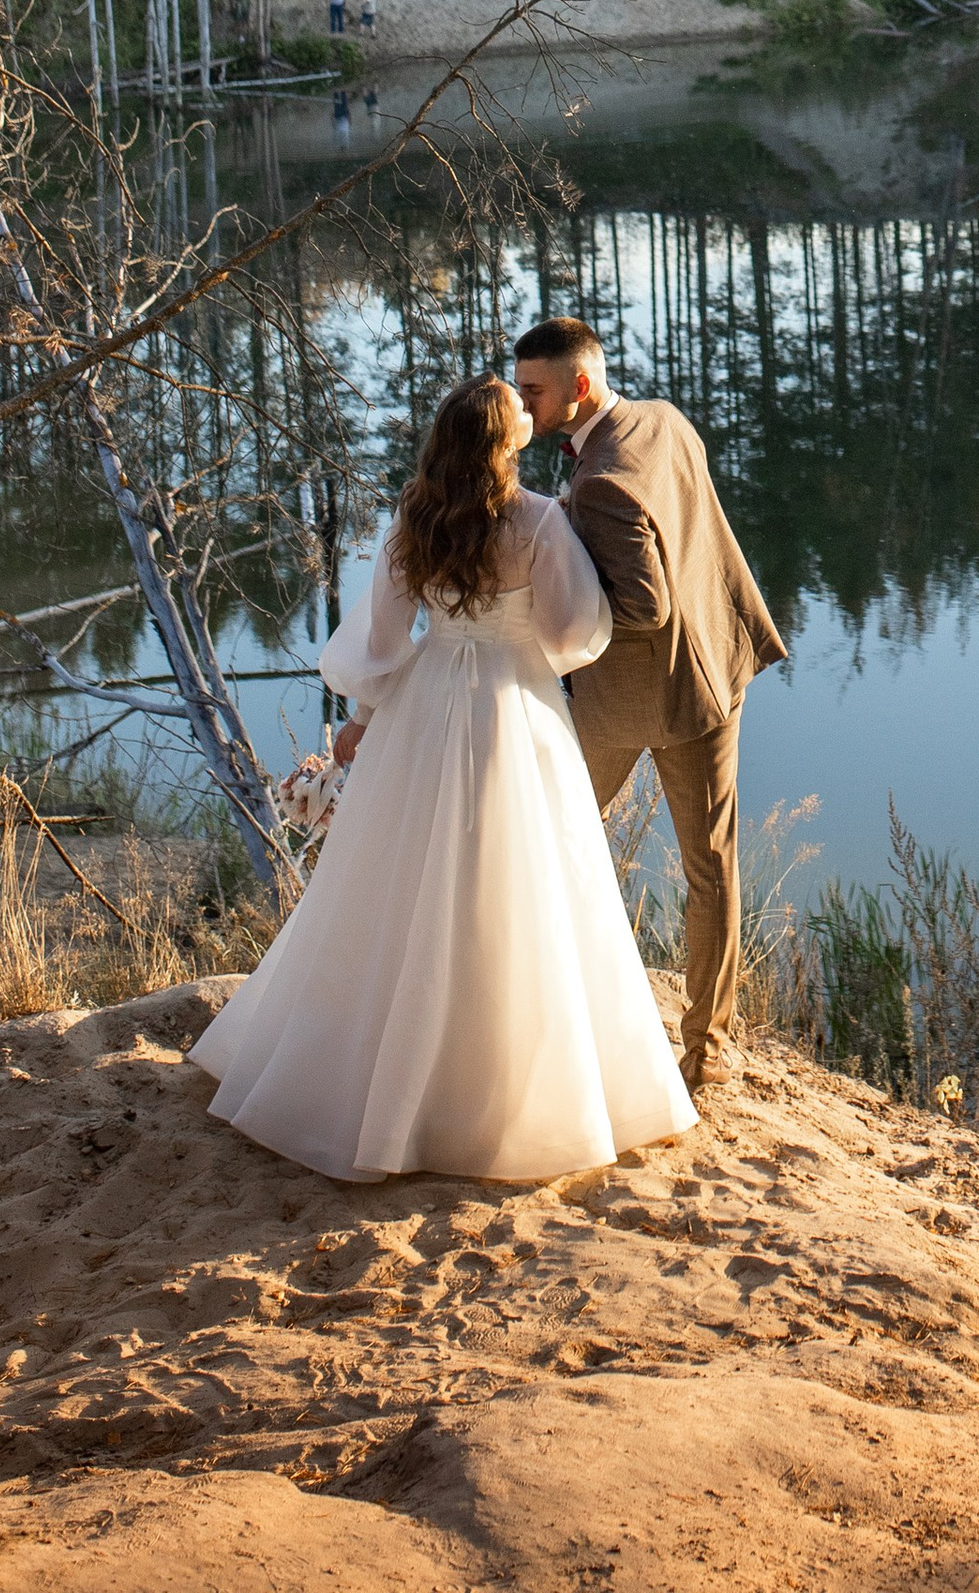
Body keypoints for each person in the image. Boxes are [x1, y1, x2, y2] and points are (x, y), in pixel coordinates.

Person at [190, 376, 694, 1183]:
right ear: (504, 442)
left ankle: (372, 1085)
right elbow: (575, 632)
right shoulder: (540, 519)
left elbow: (382, 639)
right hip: (513, 708)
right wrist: (533, 653)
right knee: (519, 882)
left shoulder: (415, 518)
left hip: (424, 707)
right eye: (517, 415)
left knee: (396, 880)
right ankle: (498, 1095)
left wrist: (361, 716)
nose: (530, 418)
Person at [512, 313, 785, 1097]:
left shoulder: (598, 482)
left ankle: (567, 1018)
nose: (522, 404)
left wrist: (547, 583)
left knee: (552, 838)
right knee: (711, 866)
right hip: (718, 662)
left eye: (533, 391)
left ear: (580, 387)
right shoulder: (664, 418)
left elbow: (642, 606)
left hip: (638, 699)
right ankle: (708, 1045)